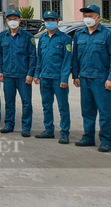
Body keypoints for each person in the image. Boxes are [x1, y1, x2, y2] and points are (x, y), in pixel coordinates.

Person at [72, 4, 111, 152]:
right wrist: (75, 75)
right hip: (85, 77)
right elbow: (75, 57)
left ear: (98, 17)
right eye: (85, 16)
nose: (87, 19)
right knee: (87, 110)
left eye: (90, 16)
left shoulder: (108, 34)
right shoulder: (79, 34)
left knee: (105, 112)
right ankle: (88, 137)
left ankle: (106, 140)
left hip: (102, 79)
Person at [0, 9, 37, 137]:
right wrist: (0, 71)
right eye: (10, 19)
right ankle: (9, 124)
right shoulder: (2, 37)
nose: (12, 22)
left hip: (23, 75)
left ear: (20, 20)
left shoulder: (28, 37)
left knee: (26, 102)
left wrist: (30, 73)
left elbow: (32, 56)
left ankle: (26, 127)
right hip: (8, 74)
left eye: (15, 19)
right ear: (6, 21)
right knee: (9, 101)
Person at [34, 10, 72, 144]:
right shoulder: (42, 38)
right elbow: (40, 58)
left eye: (52, 20)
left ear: (57, 22)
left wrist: (64, 79)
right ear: (44, 22)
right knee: (46, 105)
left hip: (58, 78)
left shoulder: (64, 38)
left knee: (63, 107)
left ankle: (64, 133)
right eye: (47, 20)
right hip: (45, 77)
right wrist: (36, 74)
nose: (50, 22)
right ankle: (48, 129)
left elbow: (67, 60)